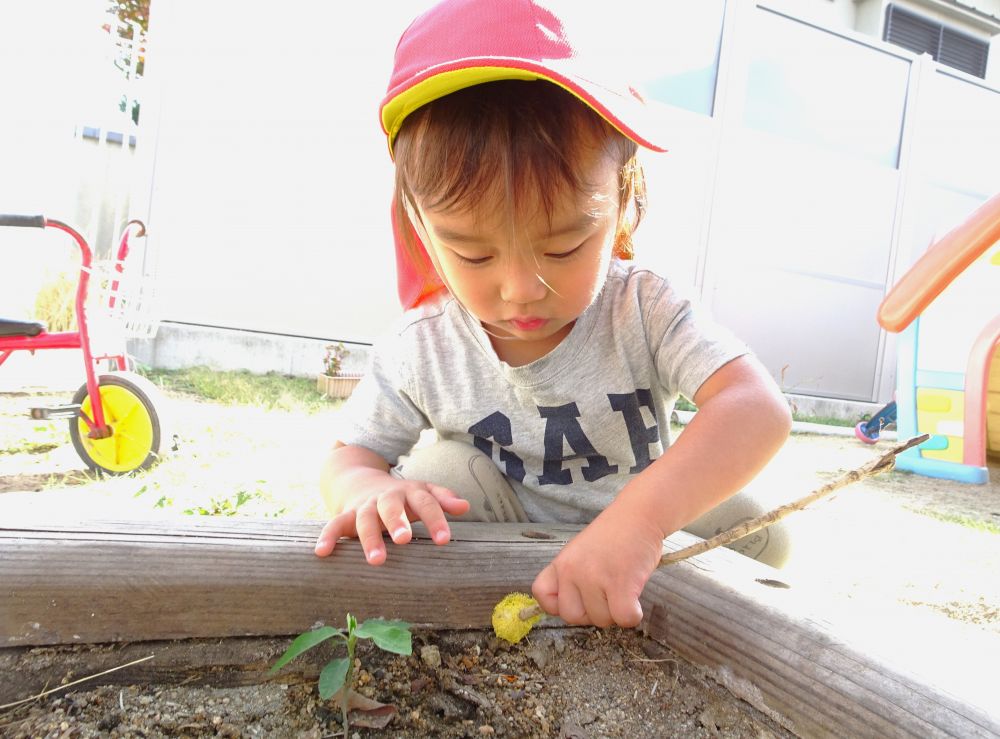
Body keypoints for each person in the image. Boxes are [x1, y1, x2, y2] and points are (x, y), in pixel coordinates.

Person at [314, 0, 793, 630]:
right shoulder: (423, 346)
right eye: (473, 252)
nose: (520, 290)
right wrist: (367, 491)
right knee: (434, 472)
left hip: (631, 524)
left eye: (563, 246)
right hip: (499, 536)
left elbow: (756, 408)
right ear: (419, 227)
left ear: (622, 204)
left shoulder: (643, 307)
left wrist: (638, 526)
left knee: (764, 535)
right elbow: (349, 458)